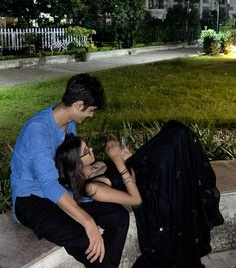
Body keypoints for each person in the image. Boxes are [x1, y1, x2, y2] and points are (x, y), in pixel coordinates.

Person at [55, 120, 224, 268]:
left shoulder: (94, 165)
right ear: (77, 162)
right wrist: (118, 161)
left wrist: (126, 158)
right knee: (177, 138)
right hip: (149, 190)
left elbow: (125, 169)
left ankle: (204, 184)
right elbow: (135, 200)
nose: (91, 149)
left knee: (177, 131)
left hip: (141, 168)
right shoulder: (92, 187)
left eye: (88, 146)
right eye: (86, 151)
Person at [10, 73, 129, 268]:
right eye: (90, 110)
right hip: (31, 200)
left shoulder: (69, 125)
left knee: (119, 217)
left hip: (63, 190)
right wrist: (88, 222)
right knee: (85, 237)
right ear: (78, 105)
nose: (91, 115)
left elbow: (71, 167)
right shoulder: (38, 131)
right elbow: (48, 186)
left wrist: (104, 165)